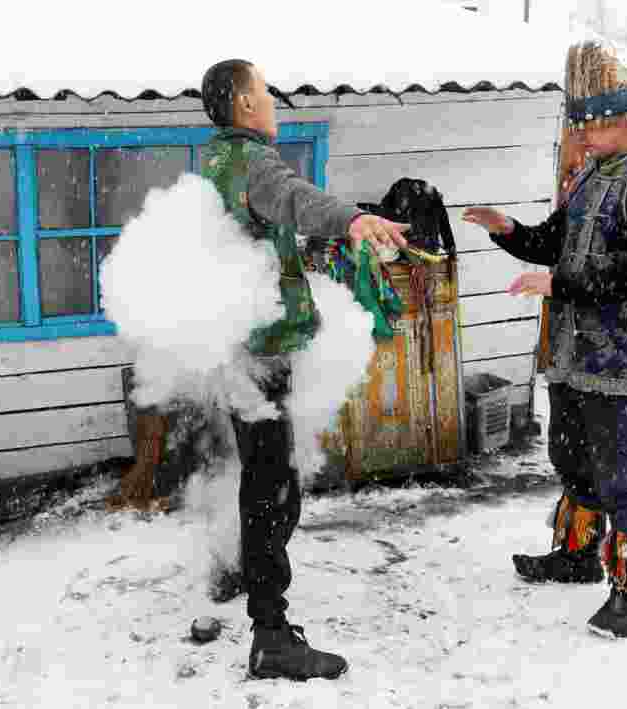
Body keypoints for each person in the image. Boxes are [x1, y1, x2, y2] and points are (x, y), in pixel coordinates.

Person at [463, 40, 627, 639]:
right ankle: (575, 556)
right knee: (572, 459)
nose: (583, 139)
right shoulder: (594, 177)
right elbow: (554, 243)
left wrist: (558, 281)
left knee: (624, 474)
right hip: (576, 352)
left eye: (594, 129)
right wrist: (509, 230)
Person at [200, 59, 409, 680]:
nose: (272, 103)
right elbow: (293, 197)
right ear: (243, 105)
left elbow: (262, 228)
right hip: (260, 352)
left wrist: (310, 246)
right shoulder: (255, 162)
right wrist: (351, 220)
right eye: (264, 93)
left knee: (263, 479)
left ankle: (244, 567)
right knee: (273, 488)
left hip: (236, 345)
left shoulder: (214, 161)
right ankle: (271, 633)